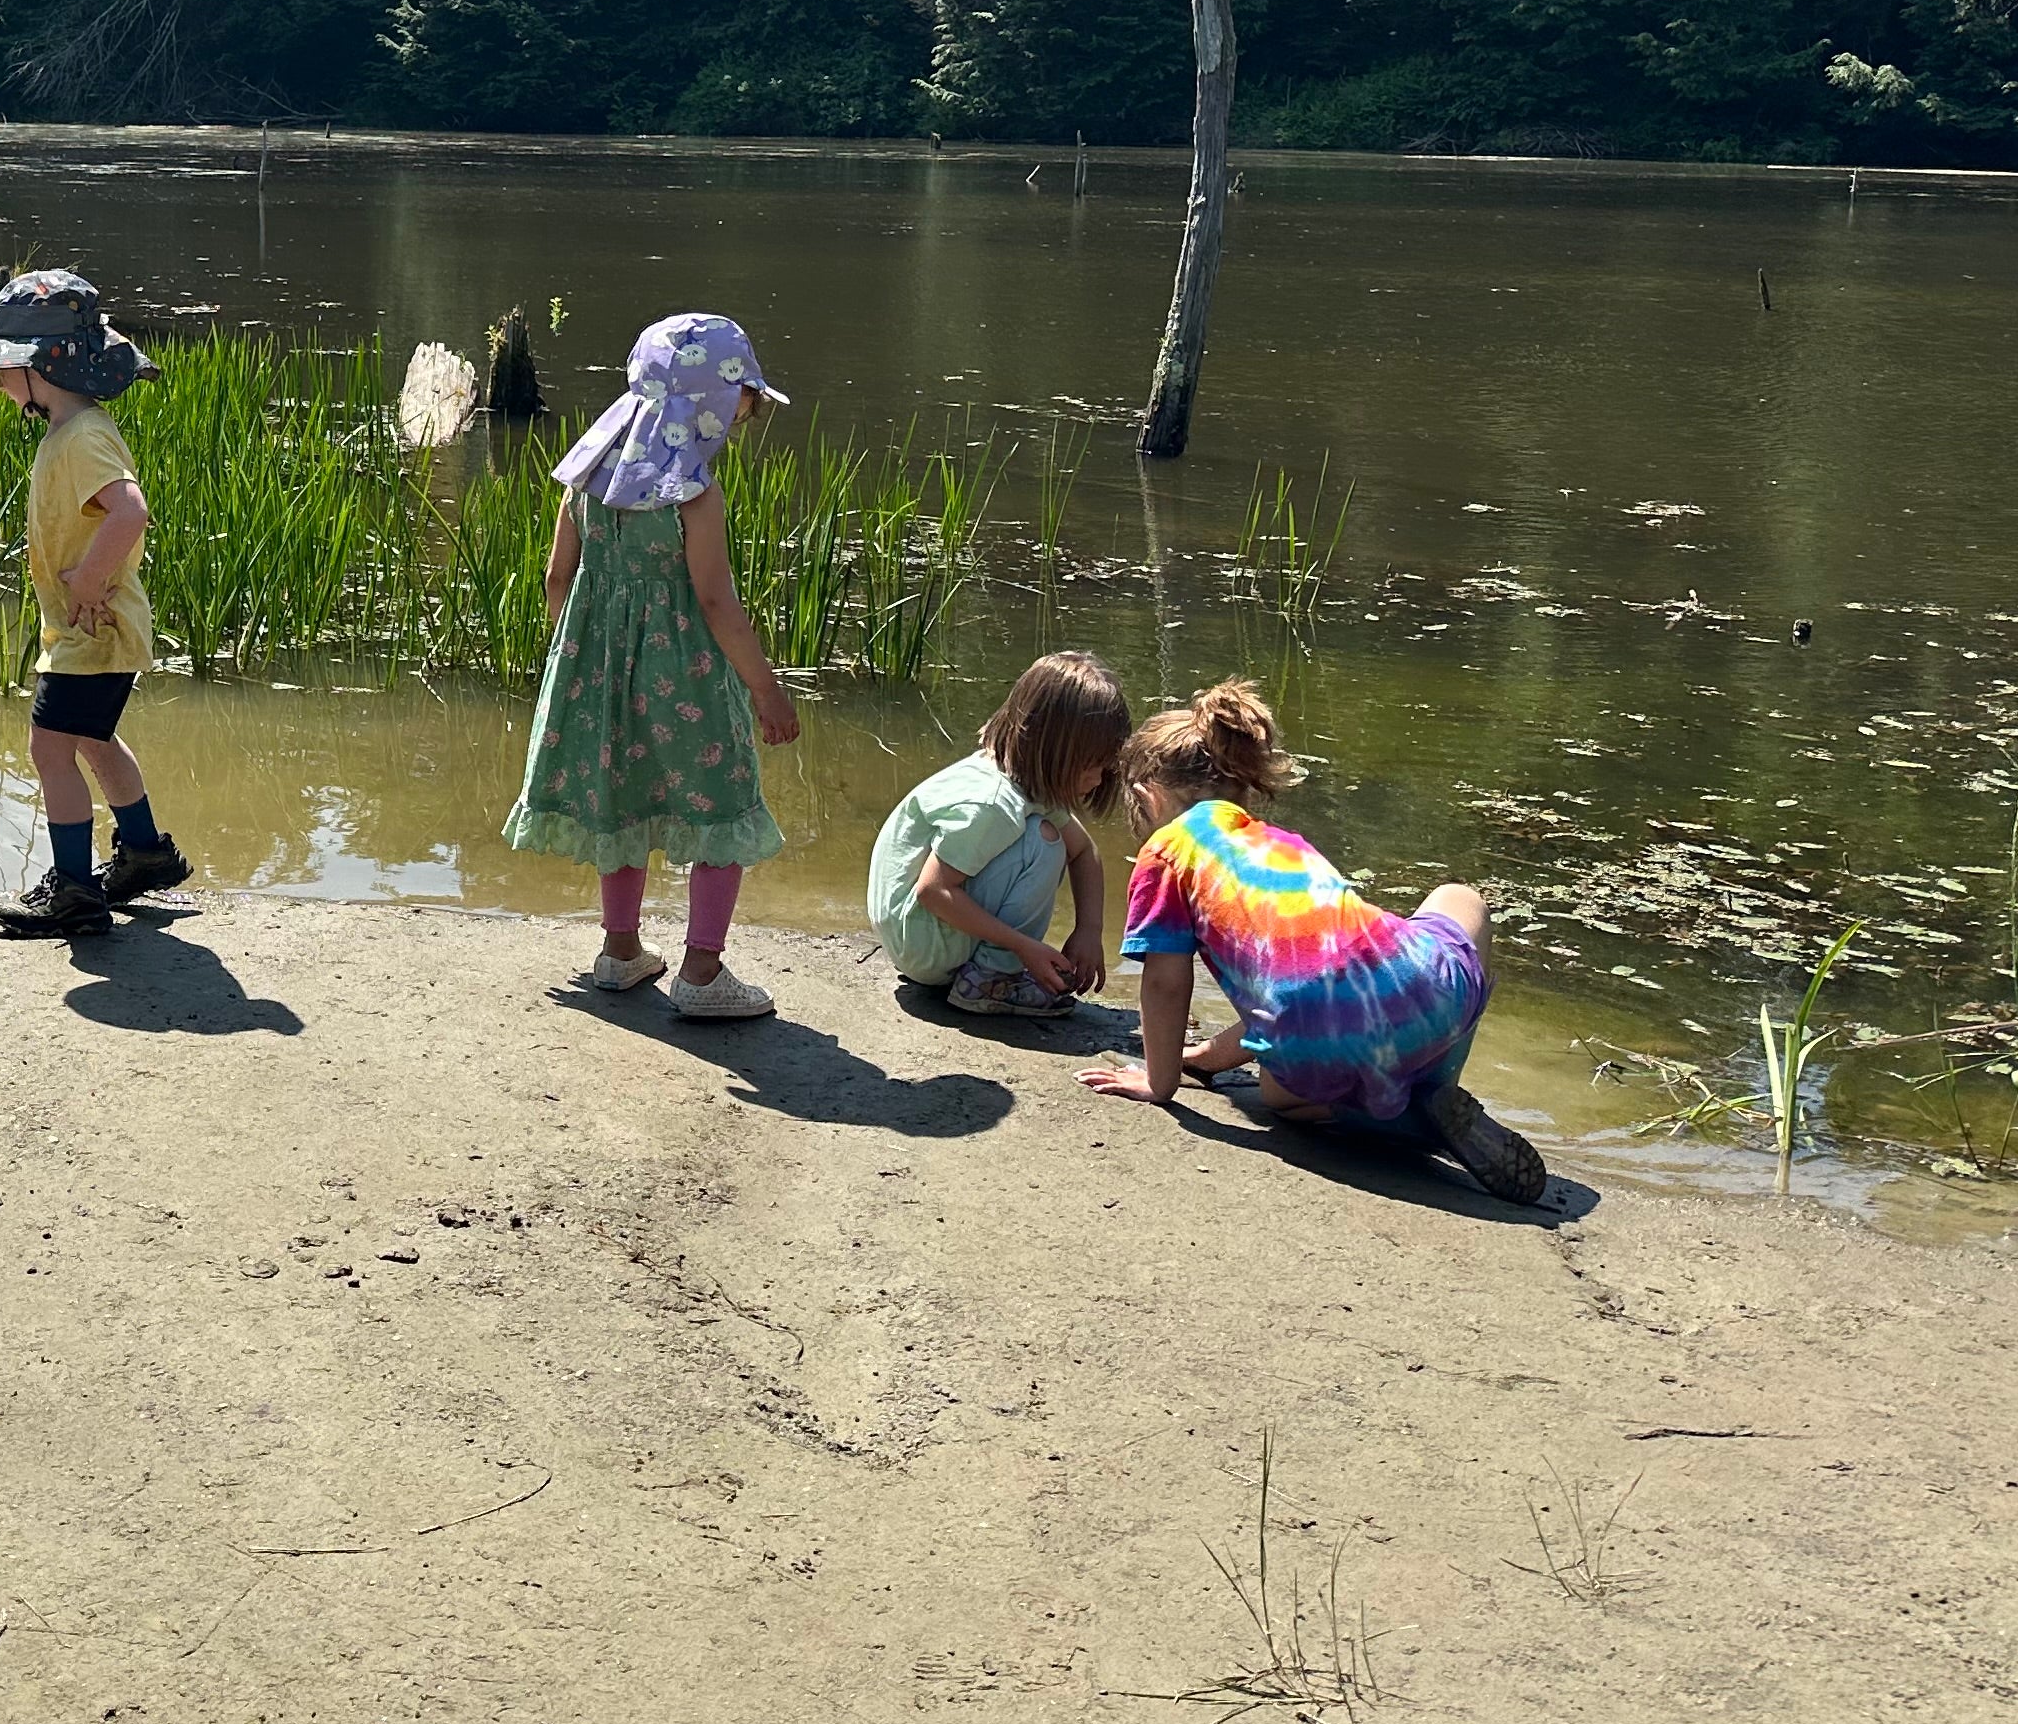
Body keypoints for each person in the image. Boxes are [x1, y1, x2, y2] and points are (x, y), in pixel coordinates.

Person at [1078, 679, 1549, 1203]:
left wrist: (1160, 1080)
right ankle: (1436, 1083)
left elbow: (1167, 983)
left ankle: (1417, 1120)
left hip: (1315, 1044)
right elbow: (1315, 975)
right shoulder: (1282, 846)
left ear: (1148, 795)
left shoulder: (1167, 852)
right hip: (1425, 994)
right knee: (1460, 898)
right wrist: (1205, 1058)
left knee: (1282, 1095)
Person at [506, 312, 805, 1019]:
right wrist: (767, 691)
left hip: (598, 674)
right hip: (688, 680)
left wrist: (577, 660)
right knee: (719, 801)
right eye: (741, 406)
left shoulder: (585, 479)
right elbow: (715, 601)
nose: (742, 421)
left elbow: (556, 577)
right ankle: (702, 972)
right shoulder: (693, 493)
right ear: (709, 406)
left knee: (621, 798)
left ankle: (620, 952)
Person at [0, 269, 192, 940]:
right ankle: (143, 853)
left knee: (49, 750)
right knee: (90, 738)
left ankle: (74, 891)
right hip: (94, 630)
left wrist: (86, 580)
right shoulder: (73, 430)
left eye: (4, 367)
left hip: (94, 625)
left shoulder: (81, 437)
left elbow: (130, 511)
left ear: (42, 369)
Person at [865, 651, 1128, 1016]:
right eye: (1092, 766)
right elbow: (933, 890)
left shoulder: (1021, 777)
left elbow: (1085, 852)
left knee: (1048, 835)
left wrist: (1089, 930)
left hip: (914, 935)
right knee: (1045, 842)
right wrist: (1022, 947)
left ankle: (981, 967)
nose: (1099, 780)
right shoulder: (992, 804)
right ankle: (992, 978)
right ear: (1053, 749)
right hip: (921, 944)